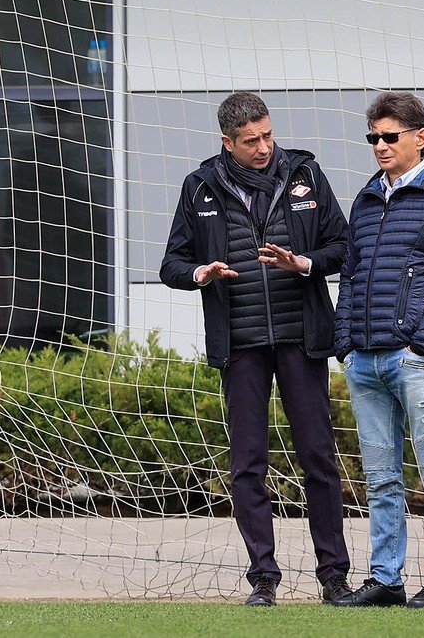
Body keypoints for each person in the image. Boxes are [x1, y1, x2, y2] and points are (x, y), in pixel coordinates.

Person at [159, 92, 354, 607]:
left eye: (268, 135)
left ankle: (334, 576)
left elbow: (343, 246)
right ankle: (263, 578)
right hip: (240, 345)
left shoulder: (306, 174)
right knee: (247, 465)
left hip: (302, 339)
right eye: (251, 141)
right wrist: (201, 272)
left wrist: (303, 263)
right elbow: (171, 264)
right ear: (228, 142)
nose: (264, 147)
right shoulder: (199, 185)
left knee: (318, 458)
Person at [332, 91, 424, 609]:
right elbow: (350, 275)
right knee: (380, 480)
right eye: (373, 137)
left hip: (419, 360)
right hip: (364, 360)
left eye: (389, 136)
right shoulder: (366, 198)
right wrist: (346, 344)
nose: (379, 145)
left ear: (421, 138)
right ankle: (386, 578)